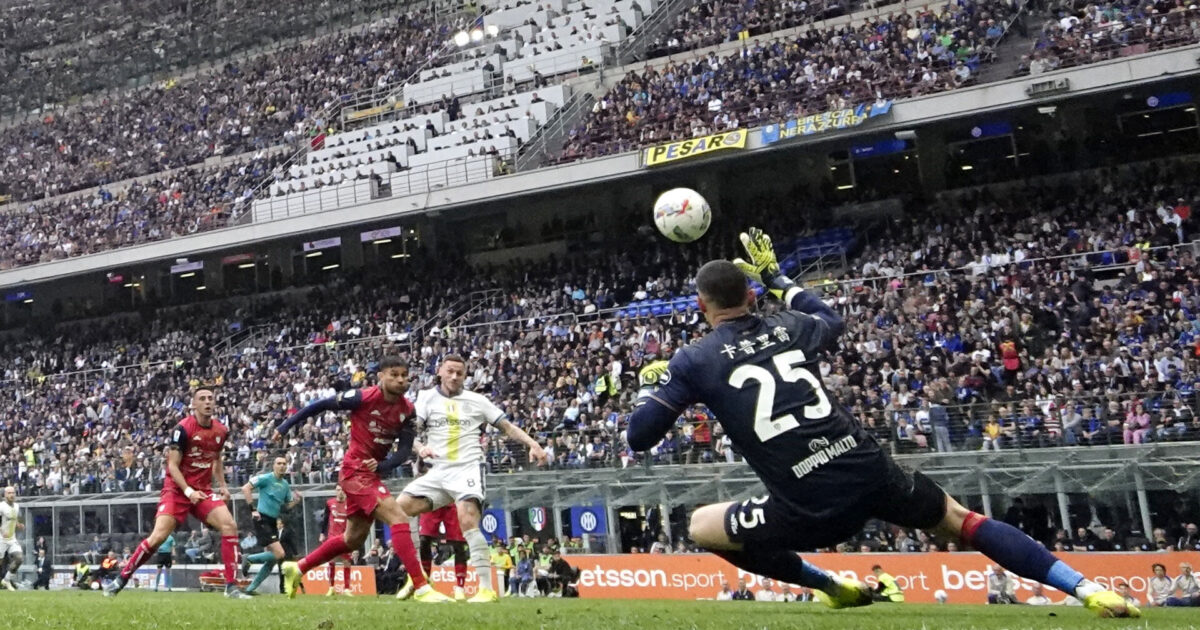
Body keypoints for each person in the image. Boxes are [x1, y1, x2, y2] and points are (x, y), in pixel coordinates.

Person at [624, 228, 1138, 618]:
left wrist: (654, 385)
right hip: (869, 471)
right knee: (963, 521)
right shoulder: (790, 325)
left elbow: (640, 437)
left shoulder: (693, 360)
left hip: (808, 505)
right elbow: (832, 319)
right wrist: (778, 278)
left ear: (700, 305)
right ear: (753, 296)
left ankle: (830, 587)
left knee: (702, 526)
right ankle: (1087, 589)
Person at [276, 357, 448, 601]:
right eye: (394, 374)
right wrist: (284, 427)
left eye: (404, 375)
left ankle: (298, 568)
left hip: (371, 473)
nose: (400, 380)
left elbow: (403, 450)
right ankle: (421, 587)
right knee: (398, 517)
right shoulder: (362, 397)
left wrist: (383, 465)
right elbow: (321, 405)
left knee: (352, 539)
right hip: (354, 471)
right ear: (381, 376)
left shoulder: (408, 410)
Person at [393, 354, 548, 603]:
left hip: (468, 469)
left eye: (460, 373)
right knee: (397, 510)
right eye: (450, 371)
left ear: (465, 375)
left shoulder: (477, 400)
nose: (455, 376)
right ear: (440, 372)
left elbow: (507, 427)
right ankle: (418, 577)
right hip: (438, 472)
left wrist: (534, 444)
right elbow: (408, 433)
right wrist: (421, 448)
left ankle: (486, 589)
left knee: (467, 521)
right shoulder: (425, 397)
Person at [106, 388, 250, 598]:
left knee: (230, 526)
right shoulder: (182, 429)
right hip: (176, 490)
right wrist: (188, 491)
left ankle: (231, 586)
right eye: (202, 399)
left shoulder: (221, 430)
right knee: (158, 537)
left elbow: (217, 458)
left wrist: (222, 485)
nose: (208, 402)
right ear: (194, 404)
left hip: (202, 491)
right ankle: (122, 578)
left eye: (210, 398)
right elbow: (172, 466)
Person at [241, 456, 302, 595]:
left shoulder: (285, 485)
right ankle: (249, 558)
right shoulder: (266, 478)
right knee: (280, 553)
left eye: (284, 464)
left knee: (274, 558)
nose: (282, 466)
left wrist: (296, 501)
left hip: (273, 521)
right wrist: (253, 509)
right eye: (279, 463)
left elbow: (285, 507)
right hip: (262, 519)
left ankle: (250, 589)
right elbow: (245, 488)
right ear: (273, 466)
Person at [419, 502, 468, 601]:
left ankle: (460, 588)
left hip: (453, 501)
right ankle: (425, 583)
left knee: (459, 544)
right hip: (432, 500)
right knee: (424, 539)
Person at [321, 486, 353, 596]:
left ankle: (347, 589)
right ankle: (331, 588)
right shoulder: (330, 503)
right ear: (335, 491)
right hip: (332, 536)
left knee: (346, 562)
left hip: (345, 537)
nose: (340, 492)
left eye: (342, 490)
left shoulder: (350, 504)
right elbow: (325, 518)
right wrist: (322, 533)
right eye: (338, 490)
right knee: (332, 561)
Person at [0, 486, 23, 591]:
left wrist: (18, 524)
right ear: (5, 495)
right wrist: (2, 531)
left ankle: (7, 580)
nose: (12, 495)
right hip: (1, 538)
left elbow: (14, 518)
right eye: (9, 493)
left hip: (12, 539)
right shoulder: (1, 506)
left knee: (19, 558)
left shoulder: (16, 506)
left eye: (13, 493)